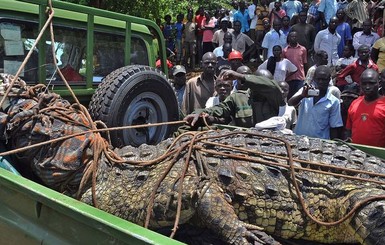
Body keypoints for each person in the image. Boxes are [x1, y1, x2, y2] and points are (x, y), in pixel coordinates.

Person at [183, 69, 285, 128]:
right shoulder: (238, 97)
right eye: (259, 84)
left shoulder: (275, 98)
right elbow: (219, 109)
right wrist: (200, 112)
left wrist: (241, 76)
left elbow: (272, 87)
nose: (263, 88)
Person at [288, 65, 343, 139]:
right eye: (318, 79)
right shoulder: (304, 92)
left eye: (324, 79)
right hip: (299, 139)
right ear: (314, 79)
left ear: (329, 79)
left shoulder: (334, 102)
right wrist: (302, 96)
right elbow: (290, 103)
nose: (321, 82)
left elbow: (334, 127)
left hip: (320, 142)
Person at [345, 69, 385, 147]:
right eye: (364, 83)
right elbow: (348, 130)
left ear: (379, 83)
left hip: (378, 156)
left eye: (371, 83)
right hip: (356, 155)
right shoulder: (354, 103)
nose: (367, 87)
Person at [283, 31, 308, 98]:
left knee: (300, 96)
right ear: (289, 38)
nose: (293, 38)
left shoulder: (303, 49)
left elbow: (305, 63)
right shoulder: (285, 50)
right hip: (289, 77)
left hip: (300, 77)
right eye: (292, 36)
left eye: (295, 37)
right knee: (290, 96)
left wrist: (305, 75)